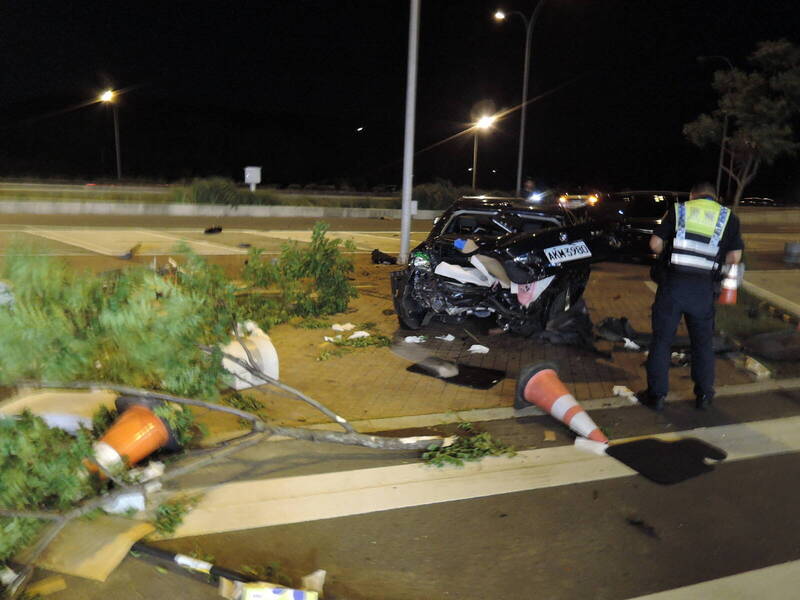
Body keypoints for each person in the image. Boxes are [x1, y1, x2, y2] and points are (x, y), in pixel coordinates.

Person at [640, 182, 744, 411]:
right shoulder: (729, 218)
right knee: (702, 344)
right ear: (714, 197)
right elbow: (735, 257)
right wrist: (713, 261)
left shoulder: (679, 210)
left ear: (692, 195)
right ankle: (704, 396)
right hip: (703, 290)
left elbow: (655, 244)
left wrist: (670, 252)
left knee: (662, 342)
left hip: (673, 286)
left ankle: (656, 397)